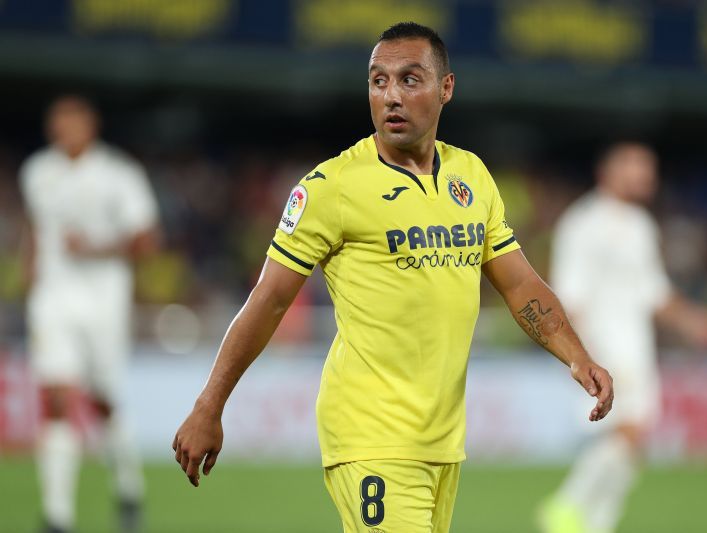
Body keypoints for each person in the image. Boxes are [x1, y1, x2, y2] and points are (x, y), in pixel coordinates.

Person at [173, 22, 613, 532]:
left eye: (409, 80)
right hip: (370, 436)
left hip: (443, 441)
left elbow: (520, 286)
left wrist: (577, 358)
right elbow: (268, 300)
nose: (391, 97)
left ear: (446, 88)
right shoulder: (332, 187)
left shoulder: (471, 177)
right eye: (378, 81)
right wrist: (209, 406)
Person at [538, 142, 707, 533]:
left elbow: (654, 293)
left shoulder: (640, 225)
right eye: (637, 167)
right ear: (608, 171)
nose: (646, 176)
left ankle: (595, 524)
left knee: (635, 439)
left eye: (649, 168)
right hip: (604, 347)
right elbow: (569, 296)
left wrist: (694, 321)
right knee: (627, 431)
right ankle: (566, 505)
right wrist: (582, 355)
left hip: (636, 346)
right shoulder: (585, 223)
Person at [20, 95, 159, 533]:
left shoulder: (119, 176)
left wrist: (96, 249)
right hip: (54, 298)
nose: (64, 129)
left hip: (104, 299)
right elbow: (36, 228)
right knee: (56, 399)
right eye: (57, 122)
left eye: (72, 121)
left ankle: (128, 483)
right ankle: (57, 515)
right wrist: (30, 272)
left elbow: (146, 241)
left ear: (90, 126)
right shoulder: (38, 172)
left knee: (102, 399)